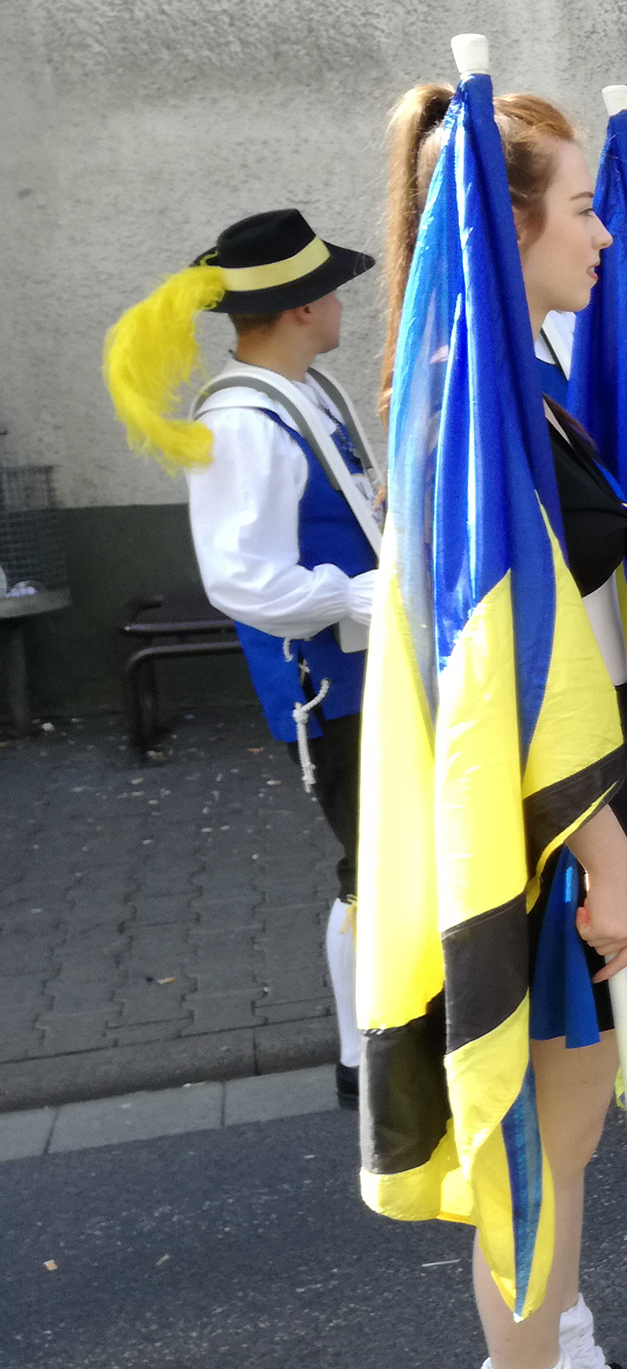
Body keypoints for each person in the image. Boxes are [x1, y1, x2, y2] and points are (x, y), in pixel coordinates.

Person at [375, 79, 627, 1369]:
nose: (607, 236)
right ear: (503, 227)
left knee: (572, 1126)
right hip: (542, 821)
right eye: (581, 210)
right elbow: (524, 658)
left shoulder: (518, 386)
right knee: (542, 1128)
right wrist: (608, 854)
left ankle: (563, 1358)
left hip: (576, 801)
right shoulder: (472, 402)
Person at [101, 211, 379, 1109]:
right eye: (330, 289)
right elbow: (242, 580)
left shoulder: (311, 389)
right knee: (369, 870)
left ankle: (385, 1036)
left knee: (390, 861)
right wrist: (353, 594)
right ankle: (359, 1057)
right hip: (331, 686)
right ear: (301, 308)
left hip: (370, 670)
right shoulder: (247, 420)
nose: (341, 302)